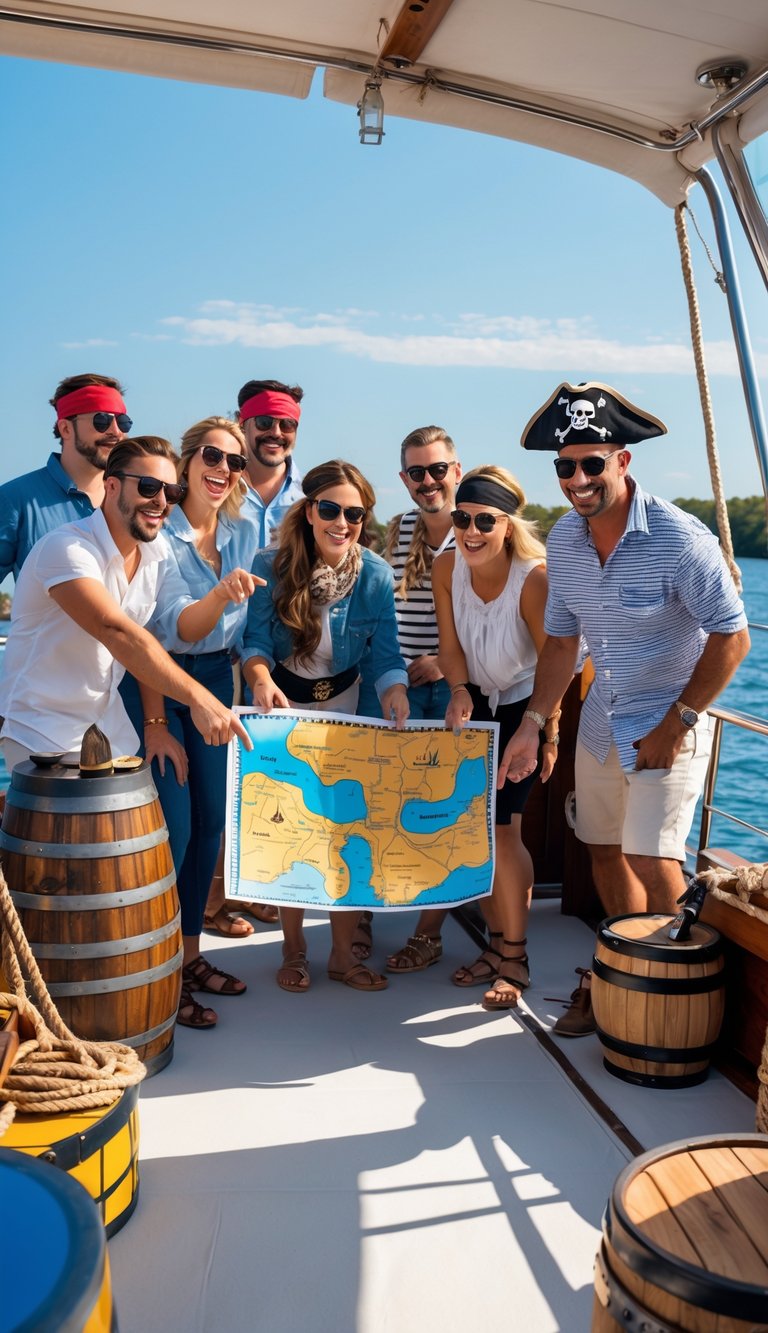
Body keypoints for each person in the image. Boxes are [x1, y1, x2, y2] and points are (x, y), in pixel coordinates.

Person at [499, 380, 750, 1036]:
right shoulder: (564, 543)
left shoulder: (680, 539)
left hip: (671, 724)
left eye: (592, 463)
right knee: (604, 851)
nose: (577, 478)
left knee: (655, 859)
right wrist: (533, 722)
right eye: (565, 466)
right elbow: (560, 642)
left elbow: (734, 636)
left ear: (623, 462)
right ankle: (622, 975)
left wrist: (679, 722)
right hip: (603, 724)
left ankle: (680, 1002)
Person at [241, 460, 410, 993]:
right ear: (310, 511)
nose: (343, 522)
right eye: (331, 510)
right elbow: (255, 644)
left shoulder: (377, 576)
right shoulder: (271, 564)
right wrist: (260, 678)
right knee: (291, 831)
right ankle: (294, 950)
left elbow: (386, 657)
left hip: (348, 706)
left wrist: (396, 692)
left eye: (354, 514)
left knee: (347, 831)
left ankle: (341, 955)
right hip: (284, 706)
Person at [0, 436, 257, 773]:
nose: (161, 502)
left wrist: (220, 596)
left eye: (172, 492)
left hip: (110, 732)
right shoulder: (66, 548)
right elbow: (118, 633)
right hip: (41, 735)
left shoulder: (157, 556)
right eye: (149, 487)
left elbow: (159, 633)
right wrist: (199, 697)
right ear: (111, 486)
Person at [137, 418, 268, 1027]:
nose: (223, 469)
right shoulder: (160, 534)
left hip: (217, 680)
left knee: (213, 825)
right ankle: (159, 975)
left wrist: (259, 674)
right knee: (177, 829)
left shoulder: (246, 529)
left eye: (235, 461)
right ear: (188, 462)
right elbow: (166, 631)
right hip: (162, 684)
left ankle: (191, 961)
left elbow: (241, 631)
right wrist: (158, 720)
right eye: (212, 456)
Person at [432, 465, 559, 1010]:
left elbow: (558, 658)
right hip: (476, 702)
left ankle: (516, 956)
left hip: (524, 706)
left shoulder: (534, 578)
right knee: (474, 832)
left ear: (509, 525)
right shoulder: (445, 565)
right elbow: (449, 642)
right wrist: (457, 688)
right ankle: (494, 944)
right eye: (463, 518)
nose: (471, 530)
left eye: (486, 520)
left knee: (505, 831)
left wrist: (544, 732)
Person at [357, 425, 463, 973]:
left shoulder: (479, 528)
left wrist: (446, 664)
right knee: (382, 801)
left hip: (454, 685)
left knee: (442, 808)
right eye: (417, 473)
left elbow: (501, 613)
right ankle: (366, 912)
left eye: (437, 470)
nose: (428, 482)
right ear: (404, 479)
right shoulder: (395, 532)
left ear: (456, 471)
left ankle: (428, 933)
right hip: (396, 685)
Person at [0, 373, 133, 584]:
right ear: (66, 428)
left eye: (123, 422)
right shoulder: (14, 500)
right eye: (102, 420)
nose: (116, 432)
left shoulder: (136, 496)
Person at [236, 378, 305, 548]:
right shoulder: (217, 490)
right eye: (264, 422)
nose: (276, 433)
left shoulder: (309, 499)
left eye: (288, 424)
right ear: (241, 423)